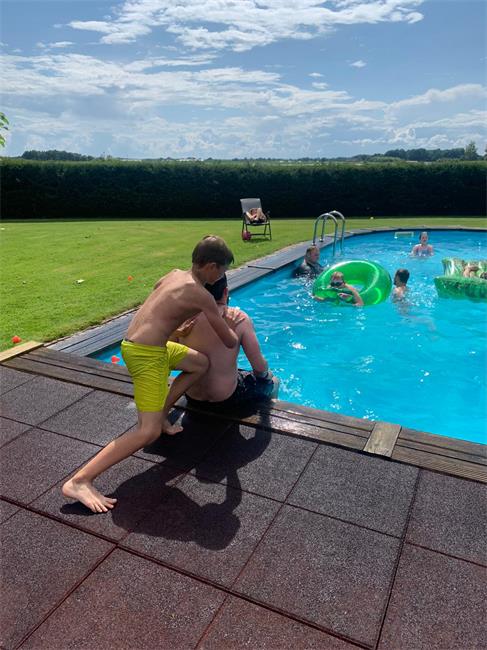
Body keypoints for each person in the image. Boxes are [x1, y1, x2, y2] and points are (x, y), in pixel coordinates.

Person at [62, 235, 242, 513]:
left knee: (199, 363)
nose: (221, 277)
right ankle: (80, 480)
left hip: (137, 345)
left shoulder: (174, 275)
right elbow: (229, 341)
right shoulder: (202, 295)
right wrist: (234, 322)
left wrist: (177, 330)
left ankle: (162, 413)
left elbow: (158, 312)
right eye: (222, 271)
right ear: (211, 267)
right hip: (147, 355)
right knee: (148, 432)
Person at [172, 273, 279, 409]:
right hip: (227, 399)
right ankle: (271, 414)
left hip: (192, 397)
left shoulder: (184, 317)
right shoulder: (237, 318)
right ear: (225, 292)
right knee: (274, 381)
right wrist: (266, 375)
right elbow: (259, 367)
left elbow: (169, 353)